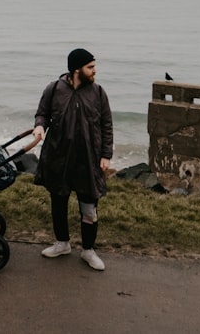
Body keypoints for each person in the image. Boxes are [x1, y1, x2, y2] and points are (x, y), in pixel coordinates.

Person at [32, 47, 113, 271]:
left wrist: (106, 155)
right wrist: (39, 127)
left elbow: (107, 125)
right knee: (58, 203)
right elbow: (42, 113)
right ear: (77, 69)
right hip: (58, 158)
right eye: (91, 67)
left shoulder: (98, 93)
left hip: (88, 161)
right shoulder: (54, 89)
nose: (95, 71)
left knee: (89, 210)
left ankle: (88, 250)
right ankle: (62, 243)